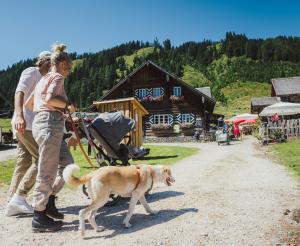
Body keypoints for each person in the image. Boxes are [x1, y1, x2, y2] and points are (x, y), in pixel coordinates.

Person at [26, 43, 75, 232]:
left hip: (45, 123)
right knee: (47, 171)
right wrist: (66, 106)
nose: (68, 72)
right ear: (62, 63)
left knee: (68, 165)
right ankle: (38, 215)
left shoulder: (42, 79)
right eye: (68, 68)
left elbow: (31, 103)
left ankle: (49, 201)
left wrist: (49, 113)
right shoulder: (56, 76)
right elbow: (49, 99)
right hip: (50, 125)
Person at [6, 51, 52, 216]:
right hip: (26, 124)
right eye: (51, 63)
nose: (52, 67)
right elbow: (19, 93)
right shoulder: (31, 72)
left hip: (30, 125)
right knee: (42, 159)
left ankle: (12, 201)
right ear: (44, 62)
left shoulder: (45, 78)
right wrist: (19, 115)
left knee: (23, 163)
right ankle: (18, 198)